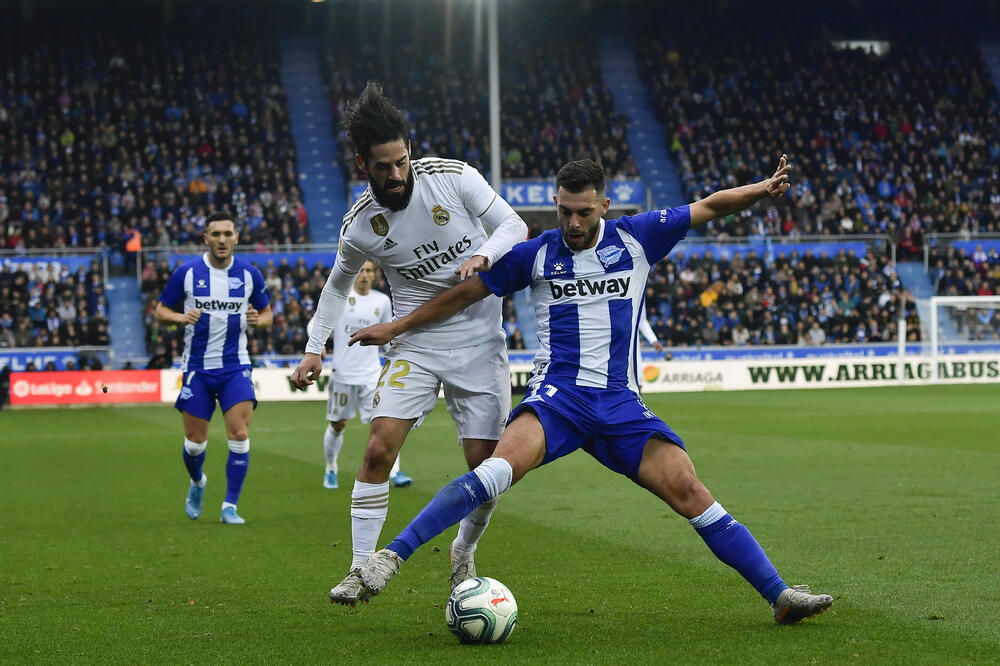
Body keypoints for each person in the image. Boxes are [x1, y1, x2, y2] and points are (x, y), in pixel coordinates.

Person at [342, 157, 834, 624]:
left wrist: (762, 191)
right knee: (494, 469)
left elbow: (708, 205)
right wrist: (398, 326)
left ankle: (780, 596)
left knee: (689, 488)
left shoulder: (637, 237)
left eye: (582, 212)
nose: (572, 222)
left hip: (620, 404)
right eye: (563, 211)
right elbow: (463, 294)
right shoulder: (535, 254)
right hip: (559, 399)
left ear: (604, 206)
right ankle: (389, 559)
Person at [289, 82, 528, 599]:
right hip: (415, 345)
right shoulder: (360, 227)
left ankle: (463, 550)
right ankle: (359, 569)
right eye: (384, 167)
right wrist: (314, 346)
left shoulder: (454, 178)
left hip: (481, 343)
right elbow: (335, 287)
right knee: (378, 449)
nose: (397, 174)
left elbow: (514, 223)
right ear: (363, 166)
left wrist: (485, 255)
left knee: (487, 469)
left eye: (402, 162)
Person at [155, 212, 273, 525]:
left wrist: (259, 320)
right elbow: (160, 310)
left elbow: (268, 313)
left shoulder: (249, 275)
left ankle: (229, 506)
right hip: (197, 368)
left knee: (240, 434)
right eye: (216, 234)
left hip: (236, 366)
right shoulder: (187, 273)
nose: (222, 240)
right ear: (206, 238)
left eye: (227, 234)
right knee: (195, 445)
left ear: (236, 238)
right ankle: (198, 483)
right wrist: (181, 318)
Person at [315, 260, 412, 490]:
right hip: (343, 376)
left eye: (369, 270)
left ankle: (395, 472)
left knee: (385, 424)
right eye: (360, 270)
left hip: (372, 376)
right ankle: (331, 467)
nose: (364, 275)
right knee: (338, 425)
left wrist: (395, 362)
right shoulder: (340, 297)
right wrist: (317, 344)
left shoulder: (382, 301)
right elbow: (315, 323)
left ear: (375, 274)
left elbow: (390, 335)